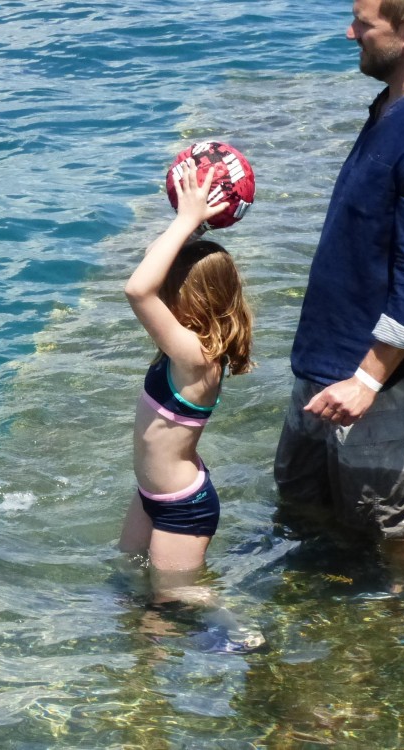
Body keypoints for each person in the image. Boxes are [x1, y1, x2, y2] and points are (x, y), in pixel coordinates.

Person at [274, 0, 404, 543]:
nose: (348, 31)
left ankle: (383, 626)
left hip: (371, 382)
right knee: (301, 506)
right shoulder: (387, 108)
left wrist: (369, 379)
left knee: (381, 534)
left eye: (364, 23)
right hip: (324, 362)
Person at [120, 160, 255, 574]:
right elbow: (150, 265)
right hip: (151, 493)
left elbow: (137, 289)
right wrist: (194, 221)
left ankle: (235, 635)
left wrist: (184, 222)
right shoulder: (185, 344)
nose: (159, 289)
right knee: (127, 579)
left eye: (169, 287)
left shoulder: (195, 357)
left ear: (188, 298)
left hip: (182, 506)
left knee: (176, 599)